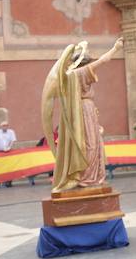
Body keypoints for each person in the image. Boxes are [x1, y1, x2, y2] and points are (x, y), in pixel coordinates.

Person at [41, 39, 122, 192]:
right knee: (90, 144)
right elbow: (105, 60)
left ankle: (89, 177)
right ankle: (88, 178)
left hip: (84, 110)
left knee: (90, 143)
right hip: (85, 110)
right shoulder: (81, 72)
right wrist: (116, 48)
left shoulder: (71, 75)